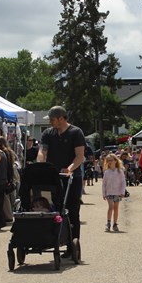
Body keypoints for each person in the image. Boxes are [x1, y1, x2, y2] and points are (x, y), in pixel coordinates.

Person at [37, 106, 85, 259]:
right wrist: (40, 165)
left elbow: (80, 156)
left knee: (72, 211)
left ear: (61, 118)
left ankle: (72, 246)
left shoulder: (76, 132)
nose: (50, 122)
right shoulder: (48, 133)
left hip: (72, 178)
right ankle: (53, 240)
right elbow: (42, 151)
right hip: (54, 178)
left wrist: (69, 169)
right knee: (54, 209)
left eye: (52, 119)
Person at [101, 153, 126, 232]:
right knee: (110, 207)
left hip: (117, 192)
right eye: (108, 160)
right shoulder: (106, 172)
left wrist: (122, 192)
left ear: (115, 161)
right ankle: (108, 223)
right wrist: (104, 193)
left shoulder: (120, 171)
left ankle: (115, 223)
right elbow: (104, 184)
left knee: (116, 208)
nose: (110, 162)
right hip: (109, 193)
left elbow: (123, 182)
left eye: (111, 160)